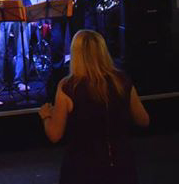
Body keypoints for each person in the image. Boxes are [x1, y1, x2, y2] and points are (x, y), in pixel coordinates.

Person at [38, 30, 149, 184]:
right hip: (121, 164)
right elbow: (144, 120)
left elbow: (54, 135)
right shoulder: (122, 81)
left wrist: (46, 116)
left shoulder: (68, 87)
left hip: (82, 168)